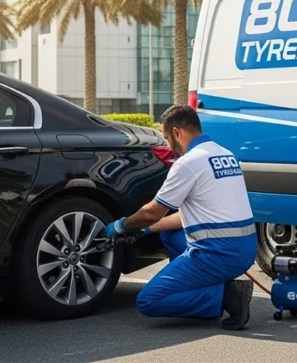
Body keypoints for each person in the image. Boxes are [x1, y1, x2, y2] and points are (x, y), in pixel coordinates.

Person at [105, 105, 256, 330]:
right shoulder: (225, 154)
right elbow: (188, 217)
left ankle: (226, 295)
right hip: (245, 250)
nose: (167, 145)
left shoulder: (188, 163)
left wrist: (120, 225)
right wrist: (147, 230)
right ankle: (200, 286)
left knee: (148, 301)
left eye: (166, 138)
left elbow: (151, 212)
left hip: (217, 254)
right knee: (169, 235)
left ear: (177, 133)